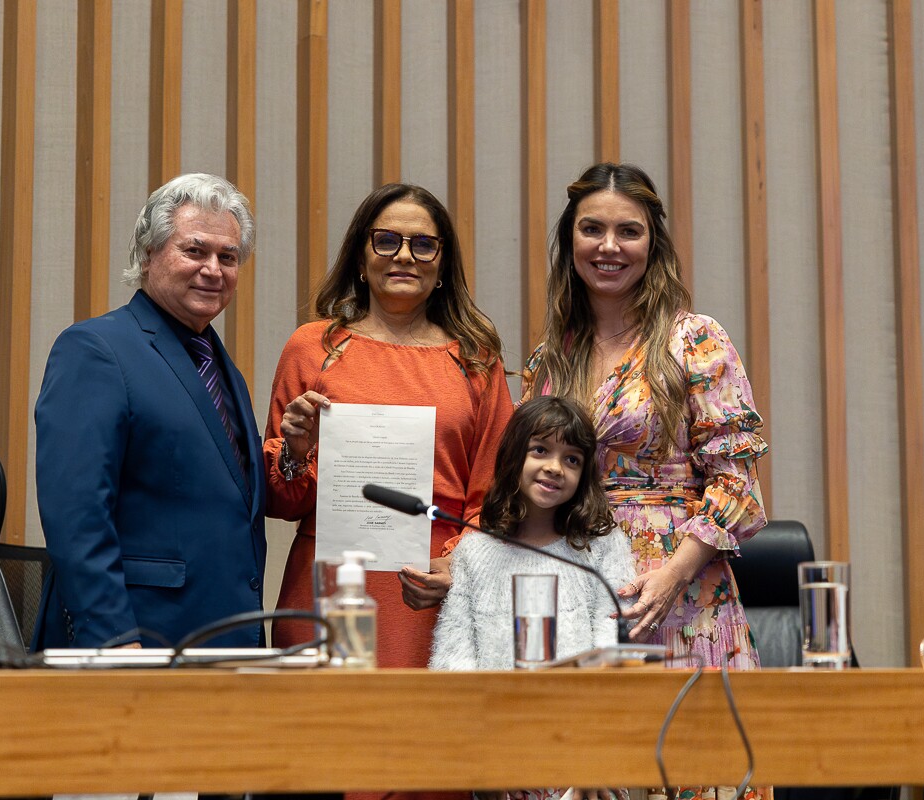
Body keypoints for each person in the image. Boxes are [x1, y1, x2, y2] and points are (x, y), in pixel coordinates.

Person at [523, 161, 768, 668]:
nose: (608, 246)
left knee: (698, 746)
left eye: (628, 231)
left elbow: (737, 484)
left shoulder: (695, 340)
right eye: (592, 229)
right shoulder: (547, 360)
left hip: (681, 592)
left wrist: (675, 573)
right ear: (570, 242)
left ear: (651, 243)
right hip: (576, 590)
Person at [264, 182, 513, 669]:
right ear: (361, 257)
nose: (405, 256)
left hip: (432, 591)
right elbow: (279, 501)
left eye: (423, 244)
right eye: (386, 240)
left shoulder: (476, 357)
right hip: (327, 589)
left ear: (442, 265)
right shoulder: (312, 348)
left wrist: (456, 566)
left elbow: (497, 494)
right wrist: (294, 451)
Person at [32, 173, 266, 650]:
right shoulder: (95, 349)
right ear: (147, 254)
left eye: (228, 257)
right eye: (195, 251)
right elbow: (77, 513)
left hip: (224, 642)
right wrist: (114, 637)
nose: (214, 269)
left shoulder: (225, 372)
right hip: (135, 642)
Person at [429, 396, 635, 672]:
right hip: (492, 707)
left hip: (581, 707)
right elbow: (452, 655)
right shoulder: (474, 552)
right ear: (513, 456)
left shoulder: (601, 547)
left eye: (572, 459)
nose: (554, 467)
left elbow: (613, 642)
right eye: (540, 450)